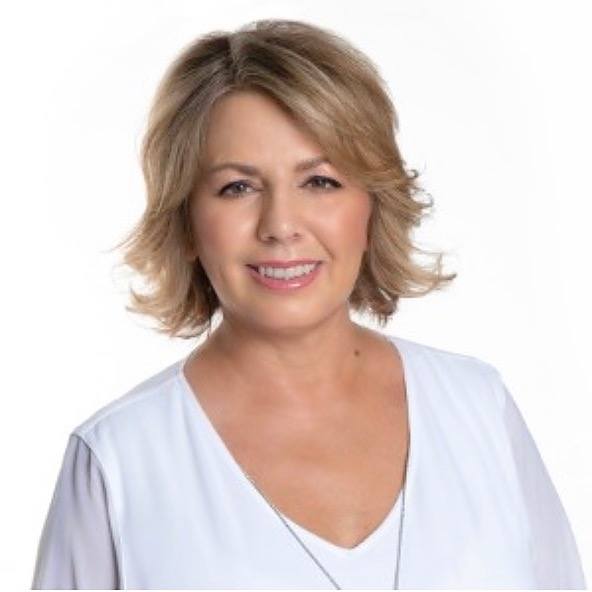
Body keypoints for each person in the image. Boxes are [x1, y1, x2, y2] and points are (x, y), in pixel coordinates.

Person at [32, 19, 585, 590]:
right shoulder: (117, 460)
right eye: (237, 187)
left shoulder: (479, 408)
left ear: (373, 205)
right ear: (187, 222)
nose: (281, 225)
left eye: (320, 181)